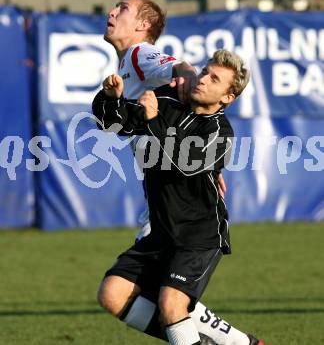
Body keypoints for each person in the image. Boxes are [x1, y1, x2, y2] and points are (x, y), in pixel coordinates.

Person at [93, 49, 264, 345]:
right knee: (112, 293)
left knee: (172, 304)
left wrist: (152, 119)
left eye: (215, 79)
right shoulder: (168, 101)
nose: (203, 80)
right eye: (204, 72)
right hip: (162, 232)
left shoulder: (220, 132)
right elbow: (113, 125)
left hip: (199, 235)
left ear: (227, 97)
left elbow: (183, 163)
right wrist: (111, 98)